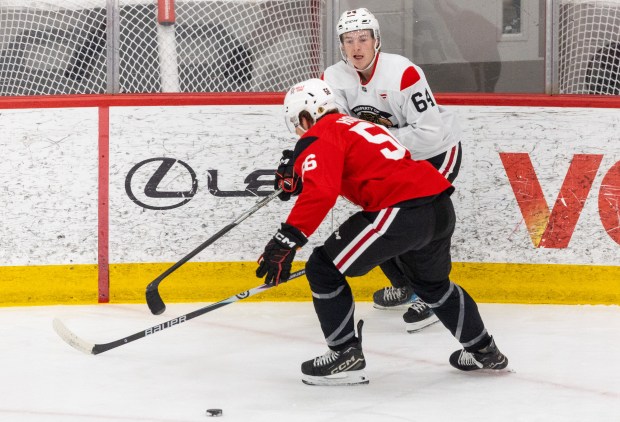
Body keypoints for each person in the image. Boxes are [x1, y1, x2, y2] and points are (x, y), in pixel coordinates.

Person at [256, 78, 508, 386]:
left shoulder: (319, 133)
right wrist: (298, 170)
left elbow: (322, 191)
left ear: (306, 117)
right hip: (438, 207)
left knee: (322, 268)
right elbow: (349, 165)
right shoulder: (358, 126)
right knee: (434, 286)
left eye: (297, 125)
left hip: (399, 211)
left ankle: (344, 353)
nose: (299, 133)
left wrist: (287, 239)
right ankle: (483, 349)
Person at [321, 8, 463, 333]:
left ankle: (429, 292)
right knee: (375, 209)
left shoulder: (403, 73)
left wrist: (374, 144)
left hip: (437, 151)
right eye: (348, 40)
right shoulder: (334, 78)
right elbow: (338, 131)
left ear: (376, 40)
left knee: (415, 213)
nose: (356, 47)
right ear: (341, 45)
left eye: (363, 38)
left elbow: (430, 133)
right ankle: (402, 283)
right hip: (391, 156)